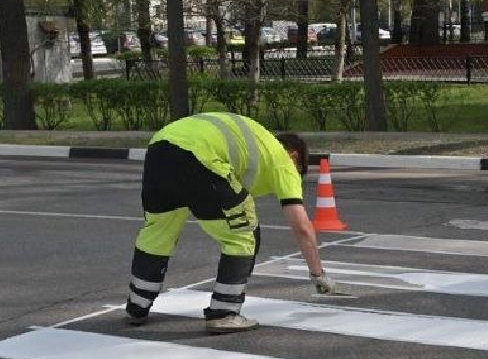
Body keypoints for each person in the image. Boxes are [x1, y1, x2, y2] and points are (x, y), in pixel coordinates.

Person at [124, 113, 349, 333]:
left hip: (158, 150)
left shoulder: (255, 139)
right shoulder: (283, 159)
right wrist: (318, 275)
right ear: (294, 156)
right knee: (244, 233)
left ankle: (137, 306)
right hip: (200, 158)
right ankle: (224, 313)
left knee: (158, 232)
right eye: (297, 173)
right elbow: (301, 226)